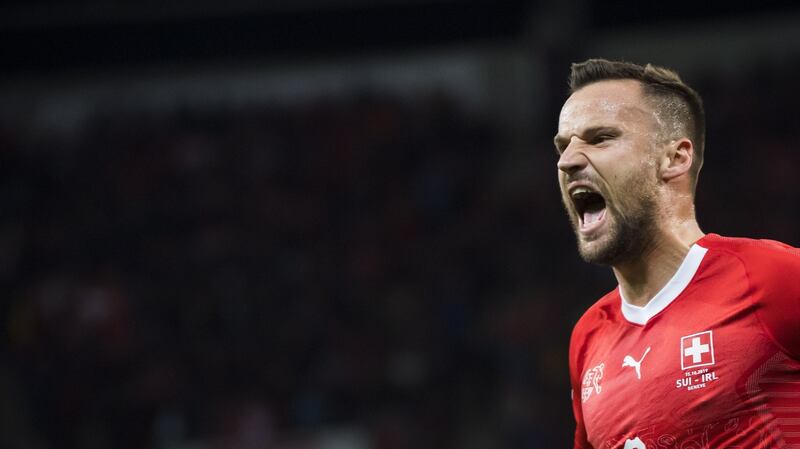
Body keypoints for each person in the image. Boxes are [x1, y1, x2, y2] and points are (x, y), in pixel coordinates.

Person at [555, 59, 800, 449]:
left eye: (599, 138)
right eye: (563, 145)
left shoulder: (772, 278)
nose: (568, 161)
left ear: (675, 158)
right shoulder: (588, 338)